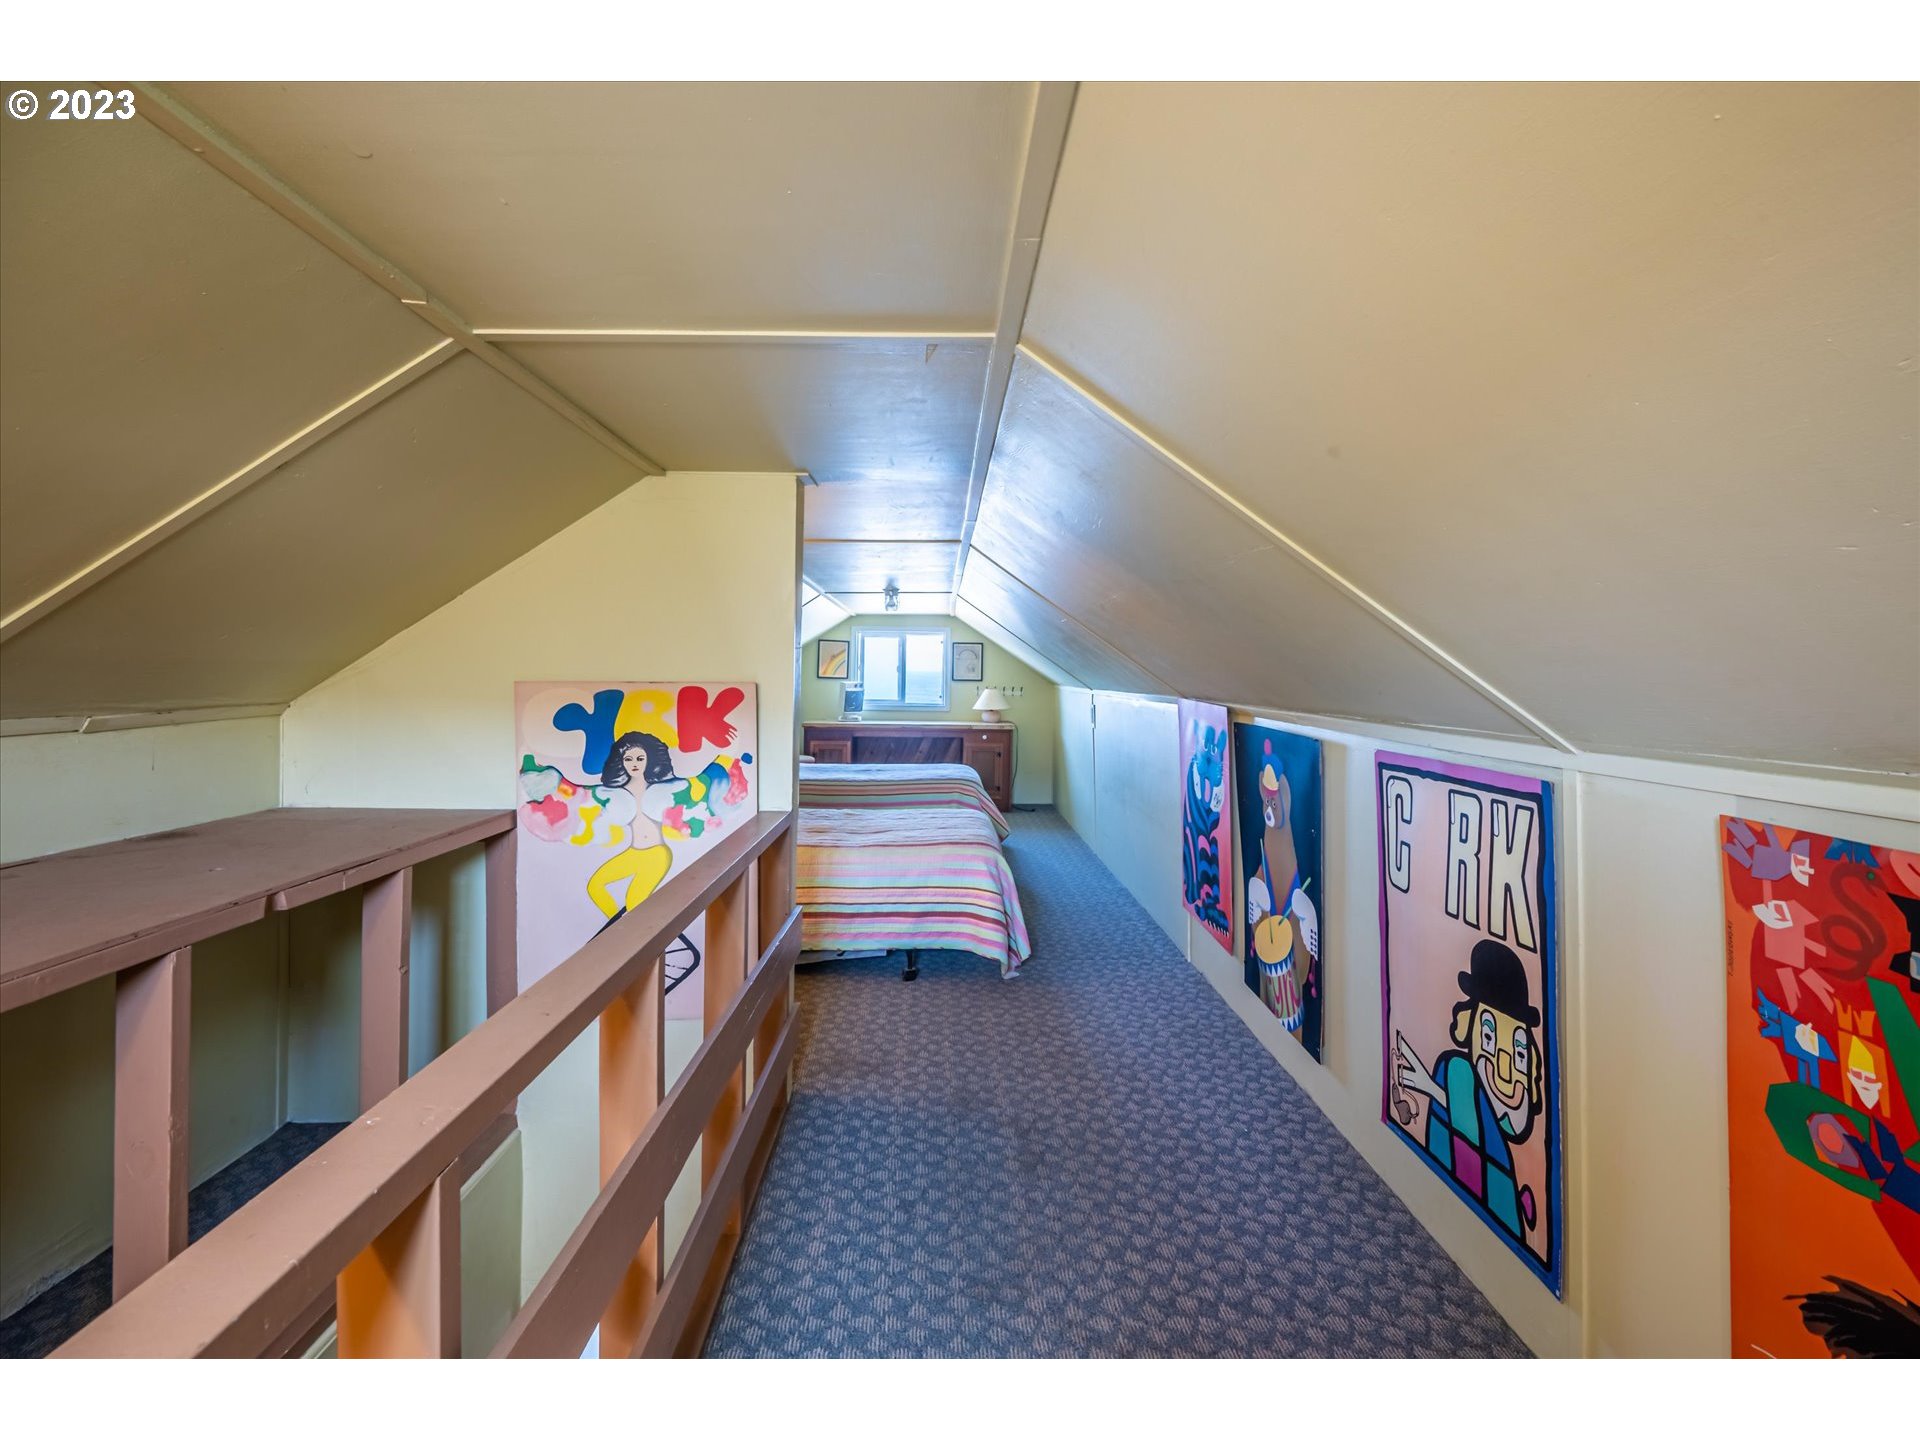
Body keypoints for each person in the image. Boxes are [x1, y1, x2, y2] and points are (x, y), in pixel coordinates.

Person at [1394, 938, 1545, 1245]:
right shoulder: (1458, 1073)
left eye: (1518, 1054)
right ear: (1468, 1027)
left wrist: (1428, 1088)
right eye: (1488, 1036)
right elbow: (1466, 1116)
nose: (1504, 1071)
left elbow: (1491, 1119)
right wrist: (1428, 1087)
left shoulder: (1464, 1080)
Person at [584, 731, 677, 920]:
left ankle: (652, 948)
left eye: (640, 758)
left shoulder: (659, 788)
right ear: (621, 762)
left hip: (656, 853)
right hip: (634, 852)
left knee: (635, 903)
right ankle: (620, 929)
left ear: (649, 759)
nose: (634, 764)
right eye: (628, 759)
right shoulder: (618, 792)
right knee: (595, 885)